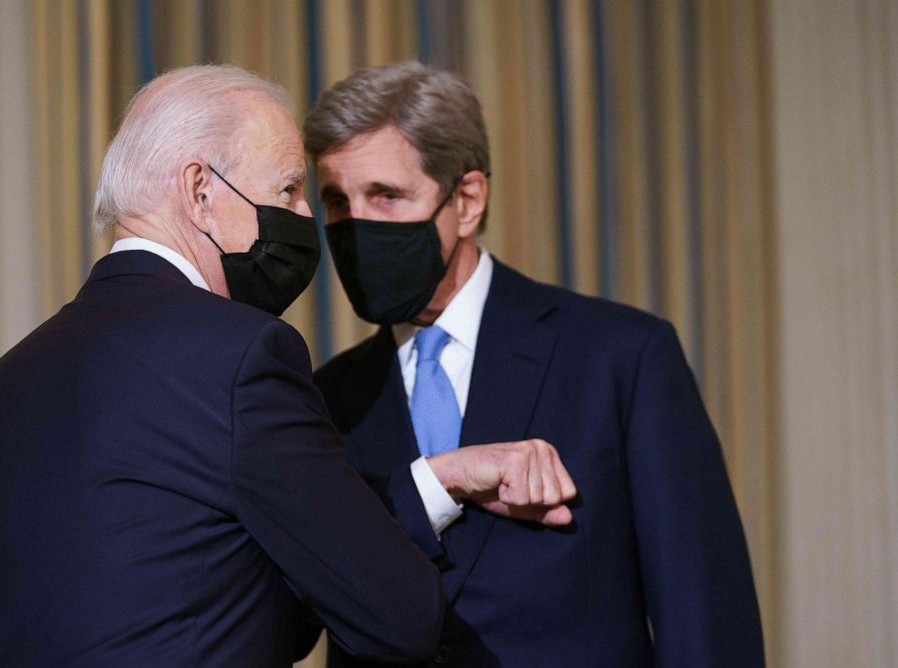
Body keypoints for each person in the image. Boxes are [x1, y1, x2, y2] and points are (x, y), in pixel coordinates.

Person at [0, 65, 447, 667]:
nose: (306, 217)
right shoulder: (241, 357)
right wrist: (427, 492)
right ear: (201, 190)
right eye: (287, 189)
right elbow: (398, 615)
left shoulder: (0, 386)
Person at [304, 61, 765, 667]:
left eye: (385, 196)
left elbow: (703, 622)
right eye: (338, 202)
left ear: (466, 200)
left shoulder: (620, 358)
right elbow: (323, 588)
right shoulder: (328, 396)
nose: (357, 226)